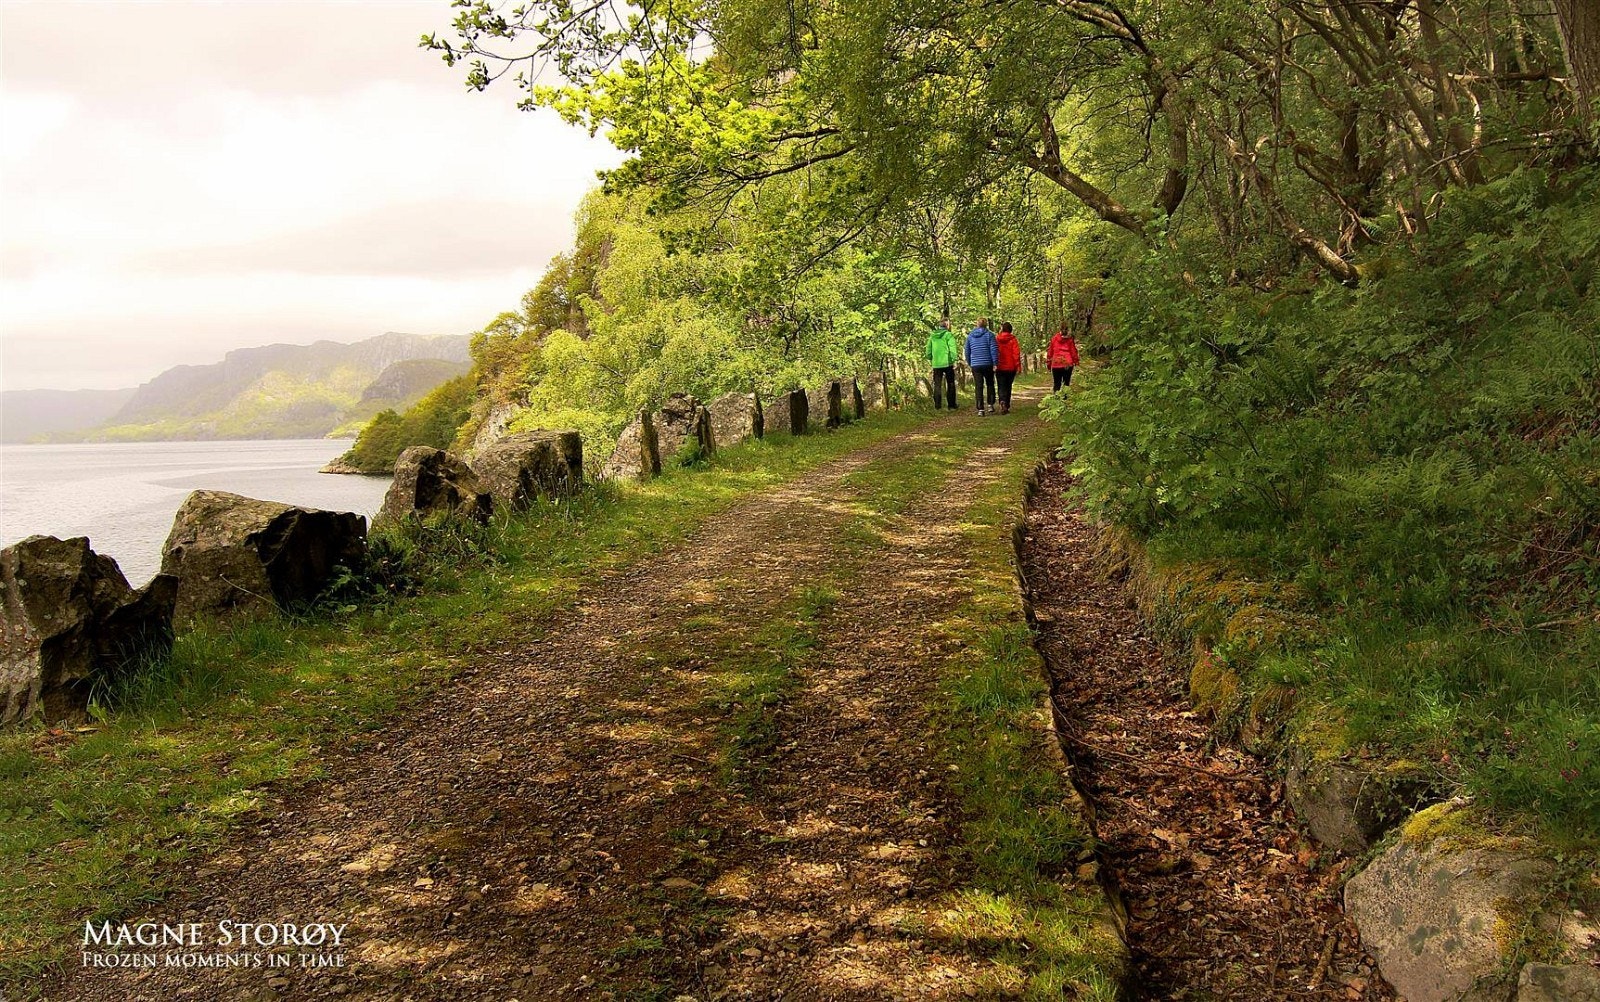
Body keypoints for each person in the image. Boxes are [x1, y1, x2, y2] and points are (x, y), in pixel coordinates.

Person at [964, 317, 999, 416]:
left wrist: (970, 363)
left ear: (977, 324)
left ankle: (980, 409)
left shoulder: (970, 336)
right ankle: (990, 404)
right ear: (986, 324)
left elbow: (967, 351)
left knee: (978, 386)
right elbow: (994, 350)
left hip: (976, 365)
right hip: (988, 364)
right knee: (990, 383)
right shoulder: (990, 335)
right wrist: (995, 363)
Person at [925, 317, 959, 410]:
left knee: (937, 385)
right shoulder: (948, 335)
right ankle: (951, 405)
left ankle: (937, 406)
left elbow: (928, 349)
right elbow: (952, 348)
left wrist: (930, 358)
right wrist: (954, 359)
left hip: (936, 364)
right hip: (948, 363)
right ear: (947, 326)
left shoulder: (932, 336)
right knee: (950, 383)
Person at [994, 321, 1021, 414]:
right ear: (1010, 330)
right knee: (1008, 386)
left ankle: (1002, 400)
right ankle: (1006, 404)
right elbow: (1016, 354)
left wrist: (994, 363)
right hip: (1011, 367)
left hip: (999, 366)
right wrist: (1018, 366)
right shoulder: (1013, 340)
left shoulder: (997, 339)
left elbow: (994, 351)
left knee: (1001, 385)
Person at [1048, 324, 1080, 392]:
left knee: (1057, 384)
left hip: (1056, 363)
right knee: (1066, 384)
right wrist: (1076, 361)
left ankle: (1056, 397)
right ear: (1067, 330)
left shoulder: (1054, 339)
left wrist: (1049, 364)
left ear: (1060, 330)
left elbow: (1050, 352)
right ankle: (1065, 397)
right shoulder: (1070, 340)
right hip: (1067, 363)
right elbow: (1073, 352)